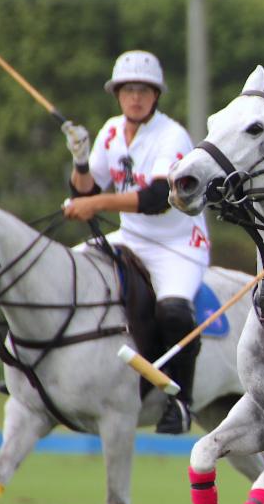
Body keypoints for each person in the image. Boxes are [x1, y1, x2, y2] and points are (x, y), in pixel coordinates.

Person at [58, 50, 210, 434]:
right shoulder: (111, 131)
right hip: (130, 237)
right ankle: (45, 372)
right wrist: (80, 161)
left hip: (177, 245)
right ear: (118, 94)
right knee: (63, 275)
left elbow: (157, 199)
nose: (135, 97)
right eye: (128, 90)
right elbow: (86, 190)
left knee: (173, 312)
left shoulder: (172, 135)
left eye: (144, 90)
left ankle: (181, 402)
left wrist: (95, 204)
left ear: (156, 95)